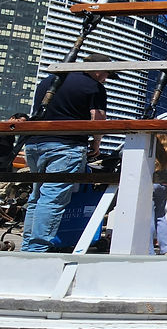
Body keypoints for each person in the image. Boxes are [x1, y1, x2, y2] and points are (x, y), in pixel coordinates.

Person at [21, 54, 111, 252]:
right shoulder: (94, 87)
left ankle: (27, 247)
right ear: (98, 69)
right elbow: (98, 119)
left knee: (37, 196)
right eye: (106, 73)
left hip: (35, 144)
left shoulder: (49, 80)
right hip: (66, 145)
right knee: (52, 199)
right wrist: (96, 142)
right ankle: (36, 251)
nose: (105, 78)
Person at [151, 134, 167, 255]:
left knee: (147, 217)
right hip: (164, 185)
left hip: (151, 183)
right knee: (160, 215)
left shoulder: (151, 146)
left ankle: (149, 249)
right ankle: (166, 247)